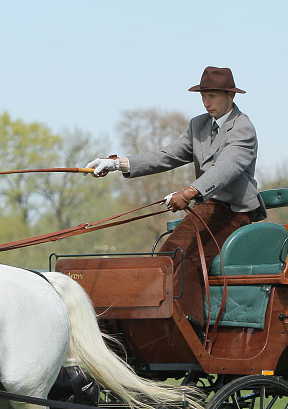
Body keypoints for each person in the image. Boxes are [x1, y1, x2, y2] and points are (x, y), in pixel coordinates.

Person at [85, 66, 265, 327]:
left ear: (230, 96)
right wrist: (118, 164)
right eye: (203, 96)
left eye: (212, 96)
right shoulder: (198, 125)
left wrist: (189, 192)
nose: (207, 102)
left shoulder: (243, 128)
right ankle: (156, 322)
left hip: (235, 212)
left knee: (190, 260)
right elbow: (167, 156)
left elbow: (225, 168)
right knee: (167, 256)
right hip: (207, 208)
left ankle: (192, 328)